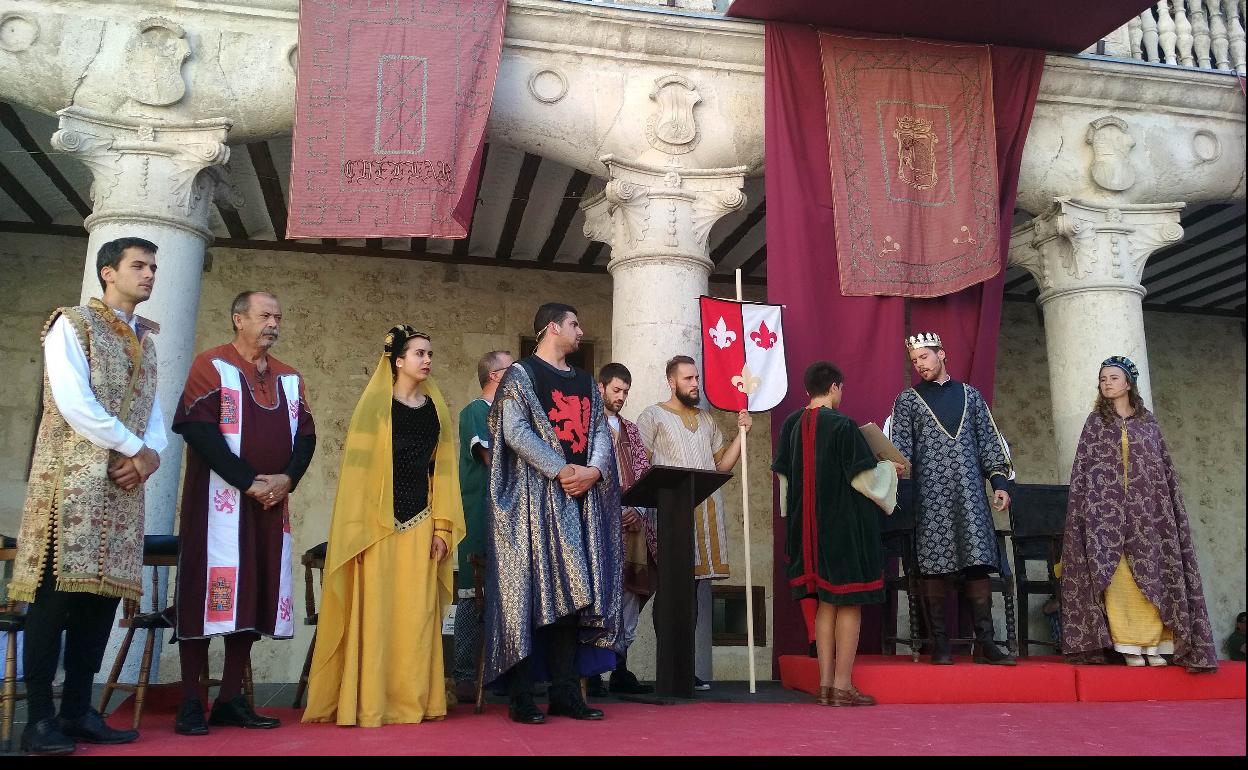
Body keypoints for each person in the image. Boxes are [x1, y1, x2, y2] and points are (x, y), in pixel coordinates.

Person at [8, 238, 164, 754]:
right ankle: (38, 720)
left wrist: (149, 457)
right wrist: (137, 450)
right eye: (138, 265)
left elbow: (153, 412)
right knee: (54, 603)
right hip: (71, 486)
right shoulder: (71, 324)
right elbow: (75, 402)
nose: (149, 274)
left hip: (122, 489)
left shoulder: (146, 341)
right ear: (107, 272)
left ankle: (78, 710)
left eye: (153, 267)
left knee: (99, 605)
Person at [303, 326, 465, 725]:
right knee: (376, 615)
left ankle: (413, 700)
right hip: (377, 527)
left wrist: (442, 529)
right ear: (398, 361)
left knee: (417, 616)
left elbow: (442, 473)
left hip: (421, 523)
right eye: (419, 353)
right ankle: (371, 703)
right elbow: (356, 477)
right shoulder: (374, 407)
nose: (427, 360)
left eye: (430, 354)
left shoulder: (436, 410)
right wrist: (355, 534)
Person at [172, 291, 316, 735]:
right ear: (239, 319)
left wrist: (287, 479)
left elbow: (306, 437)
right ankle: (191, 700)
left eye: (278, 317)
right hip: (217, 507)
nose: (273, 323)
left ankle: (230, 698)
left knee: (254, 592)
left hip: (270, 507)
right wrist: (247, 481)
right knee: (204, 593)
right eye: (265, 315)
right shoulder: (211, 365)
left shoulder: (289, 377)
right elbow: (197, 430)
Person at [482, 302, 622, 725]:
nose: (581, 332)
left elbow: (599, 431)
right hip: (533, 502)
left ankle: (565, 692)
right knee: (527, 594)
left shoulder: (584, 380)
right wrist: (561, 469)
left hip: (580, 500)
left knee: (573, 598)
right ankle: (521, 697)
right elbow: (514, 431)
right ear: (551, 328)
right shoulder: (521, 375)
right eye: (574, 324)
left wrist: (594, 471)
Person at [1059, 356, 1218, 672]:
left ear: (1128, 383)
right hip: (1106, 517)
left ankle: (1154, 644)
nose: (1107, 383)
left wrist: (1156, 509)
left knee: (1152, 575)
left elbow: (1161, 473)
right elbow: (1085, 473)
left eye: (1113, 378)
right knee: (1118, 578)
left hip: (1147, 517)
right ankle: (1129, 645)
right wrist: (1093, 511)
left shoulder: (1148, 424)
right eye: (1102, 378)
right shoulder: (1095, 424)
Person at [773, 362, 900, 706]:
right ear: (834, 387)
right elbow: (864, 479)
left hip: (805, 530)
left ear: (808, 389)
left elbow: (784, 479)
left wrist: (794, 520)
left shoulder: (790, 424)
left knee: (825, 603)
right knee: (848, 602)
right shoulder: (843, 425)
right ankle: (843, 685)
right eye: (840, 389)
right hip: (842, 528)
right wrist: (890, 469)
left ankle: (826, 685)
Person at [889, 332, 1014, 665]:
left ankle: (985, 644)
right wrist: (894, 466)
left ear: (941, 354)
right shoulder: (908, 400)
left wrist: (999, 483)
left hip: (971, 495)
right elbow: (899, 449)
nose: (919, 365)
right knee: (933, 567)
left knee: (977, 565)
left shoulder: (971, 396)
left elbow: (989, 443)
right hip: (929, 498)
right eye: (914, 361)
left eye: (924, 357)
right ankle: (940, 644)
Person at [636, 355, 751, 690]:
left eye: (696, 378)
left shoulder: (707, 420)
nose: (695, 384)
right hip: (668, 515)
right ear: (671, 382)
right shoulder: (652, 416)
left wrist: (742, 434)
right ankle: (668, 666)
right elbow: (639, 466)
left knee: (692, 591)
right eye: (688, 379)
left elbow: (721, 467)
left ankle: (685, 667)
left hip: (704, 511)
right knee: (668, 588)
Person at [451, 350, 513, 703]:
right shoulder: (476, 411)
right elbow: (491, 458)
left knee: (507, 595)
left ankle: (502, 672)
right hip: (480, 513)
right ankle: (463, 674)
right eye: (511, 370)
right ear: (494, 375)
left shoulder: (510, 414)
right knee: (472, 594)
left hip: (507, 516)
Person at [597, 362, 656, 696]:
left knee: (630, 595)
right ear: (601, 387)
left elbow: (644, 472)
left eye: (625, 392)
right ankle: (591, 670)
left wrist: (638, 508)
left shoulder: (631, 430)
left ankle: (620, 668)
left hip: (634, 526)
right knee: (600, 595)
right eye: (616, 390)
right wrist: (613, 511)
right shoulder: (587, 427)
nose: (621, 397)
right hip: (601, 526)